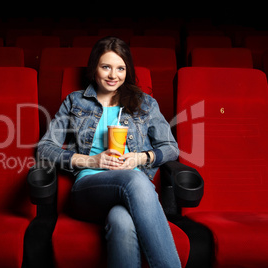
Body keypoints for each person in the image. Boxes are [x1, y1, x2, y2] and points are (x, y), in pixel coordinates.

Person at [37, 36, 181, 268]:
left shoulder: (145, 103)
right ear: (94, 68)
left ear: (127, 71)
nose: (113, 75)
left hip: (135, 190)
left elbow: (171, 147)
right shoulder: (75, 102)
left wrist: (141, 157)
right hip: (88, 189)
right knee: (135, 179)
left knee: (121, 221)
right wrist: (90, 161)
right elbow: (45, 148)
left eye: (120, 68)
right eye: (106, 67)